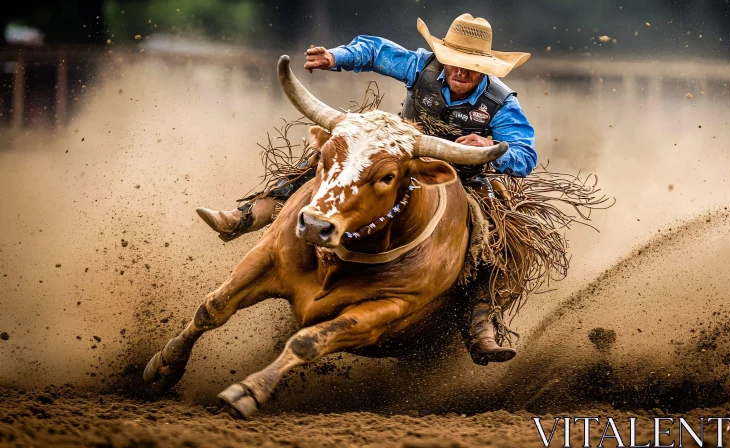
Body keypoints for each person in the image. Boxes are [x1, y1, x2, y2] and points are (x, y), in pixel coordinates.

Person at [196, 14, 537, 365]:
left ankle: (481, 318)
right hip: (394, 157)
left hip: (461, 175)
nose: (460, 72)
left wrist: (491, 143)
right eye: (454, 62)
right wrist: (336, 57)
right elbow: (376, 51)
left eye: (471, 66)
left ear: (485, 68)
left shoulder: (501, 103)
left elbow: (526, 155)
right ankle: (249, 214)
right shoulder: (423, 66)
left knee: (496, 236)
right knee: (335, 161)